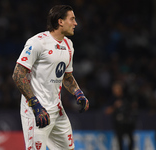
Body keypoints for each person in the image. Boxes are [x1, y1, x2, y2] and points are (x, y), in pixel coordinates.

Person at [12, 5, 89, 150]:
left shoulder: (69, 45)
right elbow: (18, 74)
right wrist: (35, 104)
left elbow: (67, 76)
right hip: (36, 110)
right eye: (72, 19)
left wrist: (78, 93)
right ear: (60, 21)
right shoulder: (37, 42)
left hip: (57, 109)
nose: (75, 23)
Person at [105, 81, 138, 150]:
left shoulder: (127, 96)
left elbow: (134, 105)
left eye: (117, 89)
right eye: (114, 89)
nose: (115, 91)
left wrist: (126, 105)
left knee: (130, 139)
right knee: (120, 140)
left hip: (128, 122)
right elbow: (107, 111)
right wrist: (115, 106)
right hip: (118, 123)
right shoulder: (112, 99)